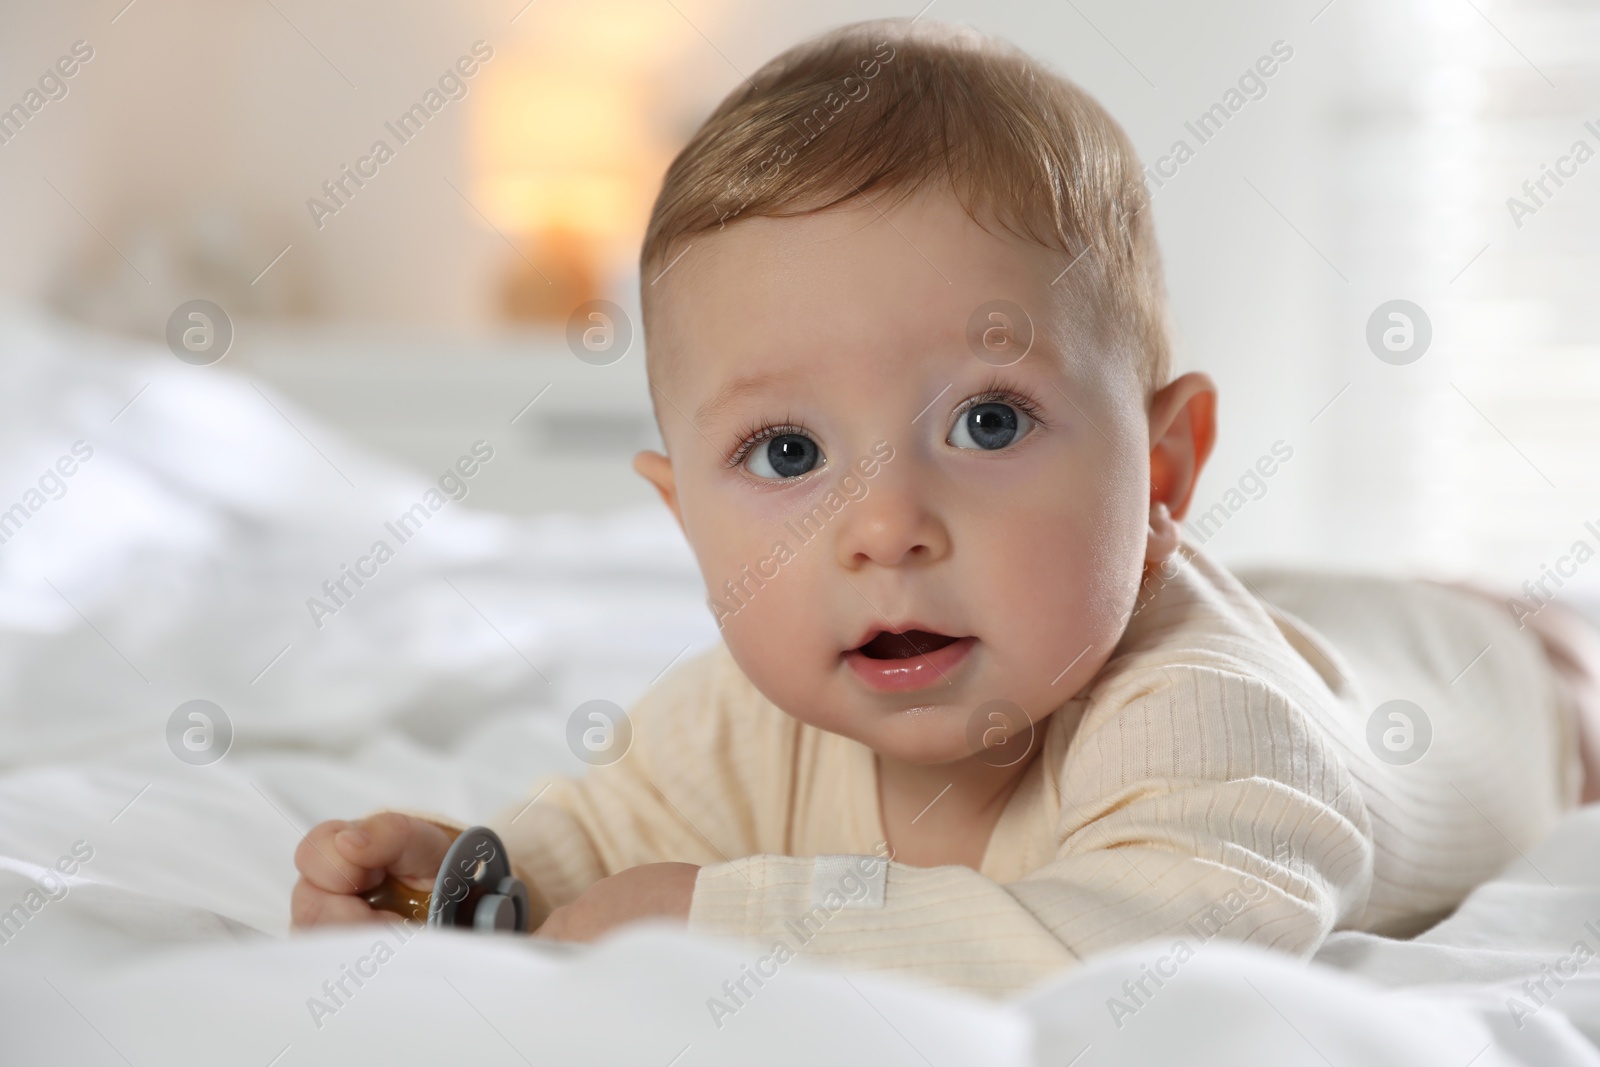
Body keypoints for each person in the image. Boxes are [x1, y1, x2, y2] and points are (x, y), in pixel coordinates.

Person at [289, 18, 1598, 996]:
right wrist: (460, 878)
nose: (883, 526)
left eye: (987, 422)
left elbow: (1135, 957)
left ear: (1161, 471)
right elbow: (604, 839)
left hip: (1493, 687)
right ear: (684, 524)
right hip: (1295, 616)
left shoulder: (1213, 720)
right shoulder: (740, 719)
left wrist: (707, 919)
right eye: (788, 451)